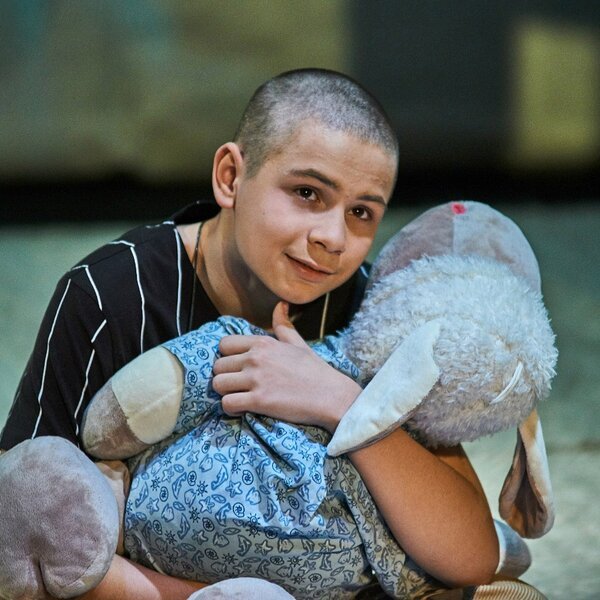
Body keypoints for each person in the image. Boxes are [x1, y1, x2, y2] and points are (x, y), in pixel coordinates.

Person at [0, 69, 498, 598]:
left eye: (361, 212)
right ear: (230, 177)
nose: (333, 237)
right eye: (307, 192)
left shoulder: (373, 312)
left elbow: (471, 556)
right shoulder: (109, 295)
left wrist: (343, 404)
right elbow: (21, 526)